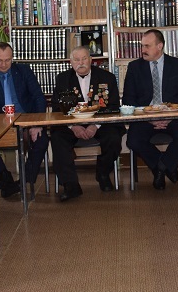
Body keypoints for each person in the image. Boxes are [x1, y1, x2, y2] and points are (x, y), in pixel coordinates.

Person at [122, 29, 178, 190]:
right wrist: (150, 118)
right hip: (145, 118)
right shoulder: (134, 67)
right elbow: (128, 100)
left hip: (174, 117)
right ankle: (166, 166)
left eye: (147, 46)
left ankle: (161, 167)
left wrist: (171, 116)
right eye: (142, 46)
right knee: (133, 140)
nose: (143, 50)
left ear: (160, 46)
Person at [50, 47, 125, 200]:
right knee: (57, 138)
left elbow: (113, 106)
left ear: (91, 60)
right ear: (71, 62)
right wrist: (73, 126)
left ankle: (103, 174)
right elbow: (57, 109)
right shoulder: (62, 79)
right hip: (72, 123)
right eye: (76, 60)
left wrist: (95, 125)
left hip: (101, 122)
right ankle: (71, 185)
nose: (81, 63)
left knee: (113, 137)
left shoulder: (107, 77)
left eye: (84, 59)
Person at [0, 42, 49, 197]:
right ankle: (4, 174)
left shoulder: (24, 71)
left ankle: (23, 181)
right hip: (2, 124)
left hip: (27, 121)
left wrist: (36, 124)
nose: (4, 64)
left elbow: (39, 97)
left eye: (7, 60)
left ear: (12, 58)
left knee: (42, 140)